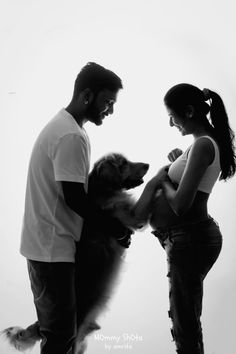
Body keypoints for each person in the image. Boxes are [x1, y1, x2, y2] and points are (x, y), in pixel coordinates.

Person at [20, 62, 131, 354]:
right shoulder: (70, 135)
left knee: (61, 334)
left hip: (47, 246)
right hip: (52, 250)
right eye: (107, 102)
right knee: (60, 341)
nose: (110, 110)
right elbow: (74, 199)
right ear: (86, 96)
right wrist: (116, 229)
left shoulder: (63, 127)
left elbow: (72, 192)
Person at [148, 83, 236, 353]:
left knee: (185, 324)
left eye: (172, 116)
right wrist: (178, 162)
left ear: (188, 111)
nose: (171, 123)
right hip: (191, 238)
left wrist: (162, 179)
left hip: (190, 239)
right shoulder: (203, 144)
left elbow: (181, 205)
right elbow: (193, 180)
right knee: (185, 318)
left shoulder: (203, 145)